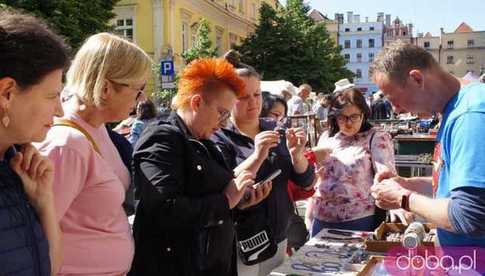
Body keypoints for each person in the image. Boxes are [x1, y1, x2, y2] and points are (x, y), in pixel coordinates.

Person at [129, 58, 272, 276]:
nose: (224, 122)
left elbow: (212, 193)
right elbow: (164, 209)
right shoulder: (162, 137)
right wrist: (226, 201)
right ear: (196, 103)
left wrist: (240, 201)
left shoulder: (202, 138)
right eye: (222, 113)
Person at [35, 32, 152, 275]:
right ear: (107, 87)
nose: (141, 99)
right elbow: (39, 235)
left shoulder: (97, 130)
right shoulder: (66, 144)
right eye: (138, 90)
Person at [369, 41, 485, 248]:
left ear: (416, 79)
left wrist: (403, 199)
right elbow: (451, 189)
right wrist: (405, 183)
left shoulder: (469, 115)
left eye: (394, 99)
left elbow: (470, 215)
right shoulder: (457, 109)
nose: (396, 110)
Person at [213, 60, 315, 276]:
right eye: (243, 96)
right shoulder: (218, 136)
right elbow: (221, 186)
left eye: (257, 94)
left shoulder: (277, 130)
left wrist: (298, 156)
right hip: (240, 240)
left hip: (278, 235)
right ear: (228, 99)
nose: (253, 103)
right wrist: (258, 156)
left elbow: (306, 181)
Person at [0, 8, 69, 275]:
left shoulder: (17, 165)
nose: (60, 111)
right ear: (7, 93)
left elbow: (50, 267)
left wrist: (44, 202)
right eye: (52, 96)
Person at [306, 88, 398, 236]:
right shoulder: (326, 137)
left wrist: (397, 204)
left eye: (354, 116)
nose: (348, 123)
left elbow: (386, 176)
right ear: (334, 117)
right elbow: (318, 180)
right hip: (321, 217)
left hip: (358, 219)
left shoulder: (376, 137)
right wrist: (309, 216)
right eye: (342, 117)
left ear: (363, 114)